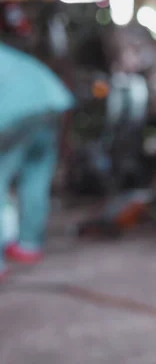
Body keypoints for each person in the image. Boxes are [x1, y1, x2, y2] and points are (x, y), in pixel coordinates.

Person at [0, 41, 74, 279]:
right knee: (36, 175)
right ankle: (29, 245)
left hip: (17, 114)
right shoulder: (9, 53)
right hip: (50, 105)